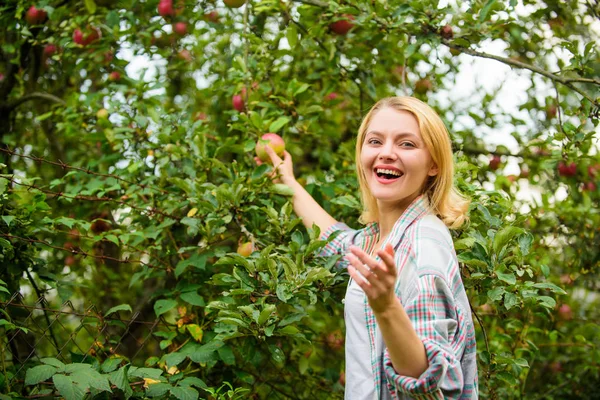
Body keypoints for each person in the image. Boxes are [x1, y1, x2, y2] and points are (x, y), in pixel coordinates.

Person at [258, 96, 478, 399]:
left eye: (407, 144)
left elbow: (434, 386)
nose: (386, 153)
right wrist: (289, 183)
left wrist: (386, 307)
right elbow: (338, 242)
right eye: (375, 141)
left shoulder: (422, 247)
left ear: (434, 164)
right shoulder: (379, 238)